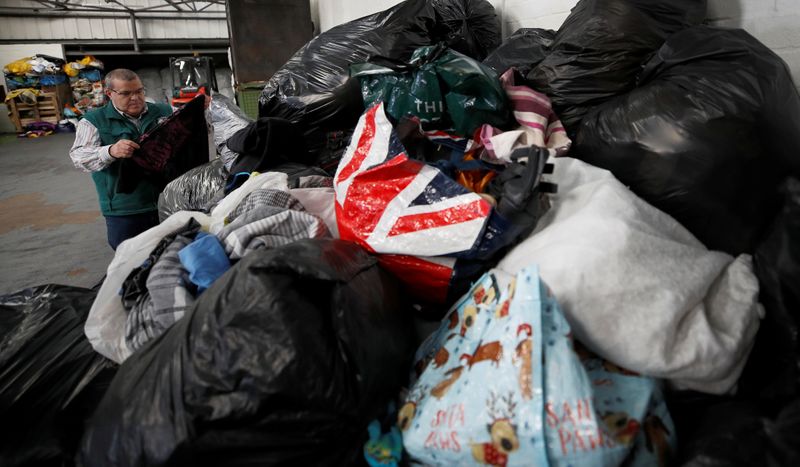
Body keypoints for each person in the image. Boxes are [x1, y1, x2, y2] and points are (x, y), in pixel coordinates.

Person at [70, 68, 208, 250]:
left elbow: (193, 129)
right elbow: (79, 157)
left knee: (176, 251)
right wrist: (110, 151)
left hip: (168, 201)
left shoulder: (165, 112)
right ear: (109, 94)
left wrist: (201, 109)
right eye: (126, 93)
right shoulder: (93, 121)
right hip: (125, 209)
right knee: (132, 255)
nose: (135, 98)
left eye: (139, 91)